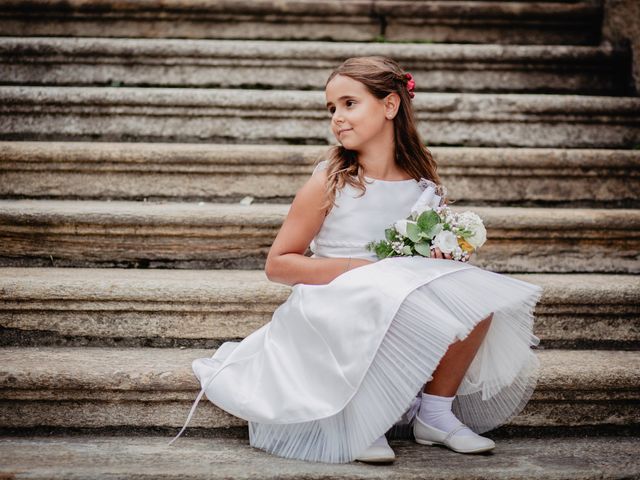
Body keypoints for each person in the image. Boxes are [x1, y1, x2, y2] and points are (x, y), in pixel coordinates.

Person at [168, 56, 543, 464]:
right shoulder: (330, 181)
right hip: (336, 297)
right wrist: (362, 270)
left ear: (389, 106)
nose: (337, 118)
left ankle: (434, 413)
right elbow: (279, 264)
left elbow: (421, 250)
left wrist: (443, 252)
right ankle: (364, 416)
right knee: (381, 294)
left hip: (394, 289)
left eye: (349, 104)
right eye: (332, 109)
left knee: (474, 296)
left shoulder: (423, 182)